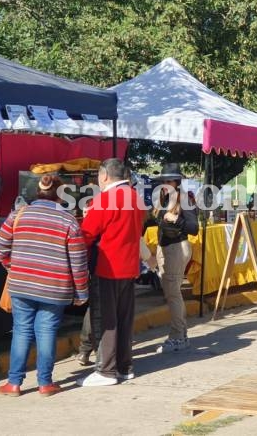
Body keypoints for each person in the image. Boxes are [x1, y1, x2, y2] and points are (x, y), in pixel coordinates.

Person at [0, 174, 88, 397]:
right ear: (60, 194)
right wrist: (81, 292)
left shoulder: (19, 214)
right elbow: (78, 260)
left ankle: (14, 383)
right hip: (54, 288)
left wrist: (12, 267)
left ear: (38, 192)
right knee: (46, 331)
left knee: (21, 330)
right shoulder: (68, 221)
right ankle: (45, 383)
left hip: (21, 284)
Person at [78, 158, 146, 387]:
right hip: (129, 266)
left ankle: (106, 370)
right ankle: (125, 367)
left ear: (104, 175)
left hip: (108, 266)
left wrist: (88, 217)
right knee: (124, 318)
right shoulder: (134, 197)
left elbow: (86, 233)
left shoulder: (106, 198)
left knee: (107, 319)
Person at [152, 163, 199, 353]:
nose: (165, 183)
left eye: (169, 180)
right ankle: (181, 334)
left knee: (173, 294)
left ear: (177, 182)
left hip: (176, 248)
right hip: (167, 248)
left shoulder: (184, 199)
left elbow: (194, 228)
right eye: (163, 180)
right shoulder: (165, 198)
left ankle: (178, 336)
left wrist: (176, 220)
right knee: (172, 293)